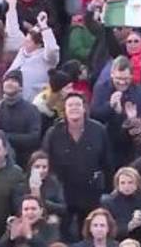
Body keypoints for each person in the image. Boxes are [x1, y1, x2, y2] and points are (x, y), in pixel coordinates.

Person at [42, 93, 112, 239]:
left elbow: (107, 163)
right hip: (63, 194)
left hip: (91, 194)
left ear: (84, 108)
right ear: (64, 109)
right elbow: (45, 161)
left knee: (86, 236)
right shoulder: (54, 132)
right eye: (70, 105)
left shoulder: (98, 130)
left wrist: (107, 189)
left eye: (77, 105)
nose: (74, 108)